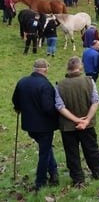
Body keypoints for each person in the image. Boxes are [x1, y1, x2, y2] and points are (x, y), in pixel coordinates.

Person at [54, 56, 99, 187]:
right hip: (87, 125)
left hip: (68, 126)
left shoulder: (60, 85)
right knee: (91, 149)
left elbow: (60, 106)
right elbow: (95, 101)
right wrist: (86, 120)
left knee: (72, 153)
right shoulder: (89, 81)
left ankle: (77, 178)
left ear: (68, 68)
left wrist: (76, 120)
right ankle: (98, 173)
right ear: (80, 67)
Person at [12, 58, 59, 190]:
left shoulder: (22, 82)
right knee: (44, 153)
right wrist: (57, 118)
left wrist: (19, 108)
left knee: (46, 148)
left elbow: (15, 100)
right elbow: (48, 107)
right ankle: (41, 182)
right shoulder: (45, 85)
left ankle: (54, 173)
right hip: (44, 126)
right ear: (45, 70)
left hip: (29, 125)